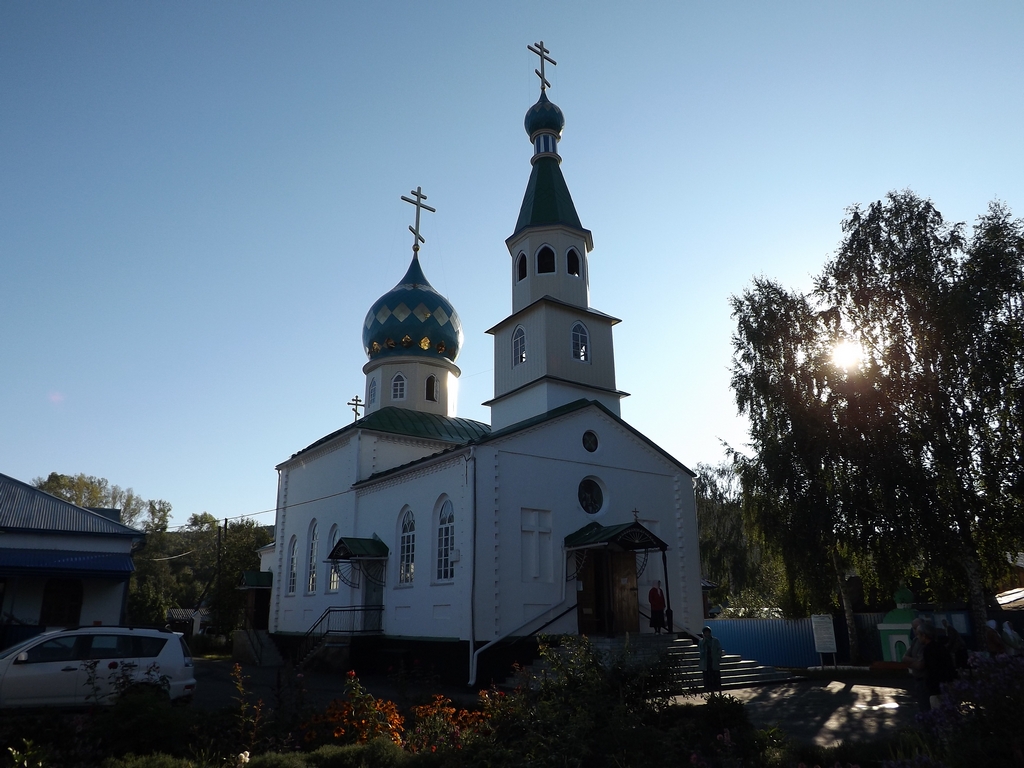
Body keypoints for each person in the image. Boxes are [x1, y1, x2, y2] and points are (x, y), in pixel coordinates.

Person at [918, 621, 956, 710]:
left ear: (924, 635)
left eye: (919, 635)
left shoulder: (928, 649)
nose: (918, 638)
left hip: (936, 687)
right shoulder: (941, 647)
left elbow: (932, 669)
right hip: (947, 684)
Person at [901, 618, 930, 712]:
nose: (915, 631)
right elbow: (904, 658)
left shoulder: (927, 644)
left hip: (926, 680)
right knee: (922, 706)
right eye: (913, 628)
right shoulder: (915, 641)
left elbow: (920, 665)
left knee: (927, 707)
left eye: (916, 628)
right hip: (917, 679)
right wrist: (916, 661)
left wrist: (912, 662)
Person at [698, 625, 723, 692]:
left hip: (713, 661)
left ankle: (719, 691)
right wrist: (704, 641)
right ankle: (710, 691)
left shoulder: (715, 640)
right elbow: (700, 650)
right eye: (705, 632)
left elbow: (719, 649)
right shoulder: (701, 641)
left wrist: (718, 657)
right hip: (706, 662)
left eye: (707, 632)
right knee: (708, 678)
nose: (707, 634)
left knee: (716, 677)